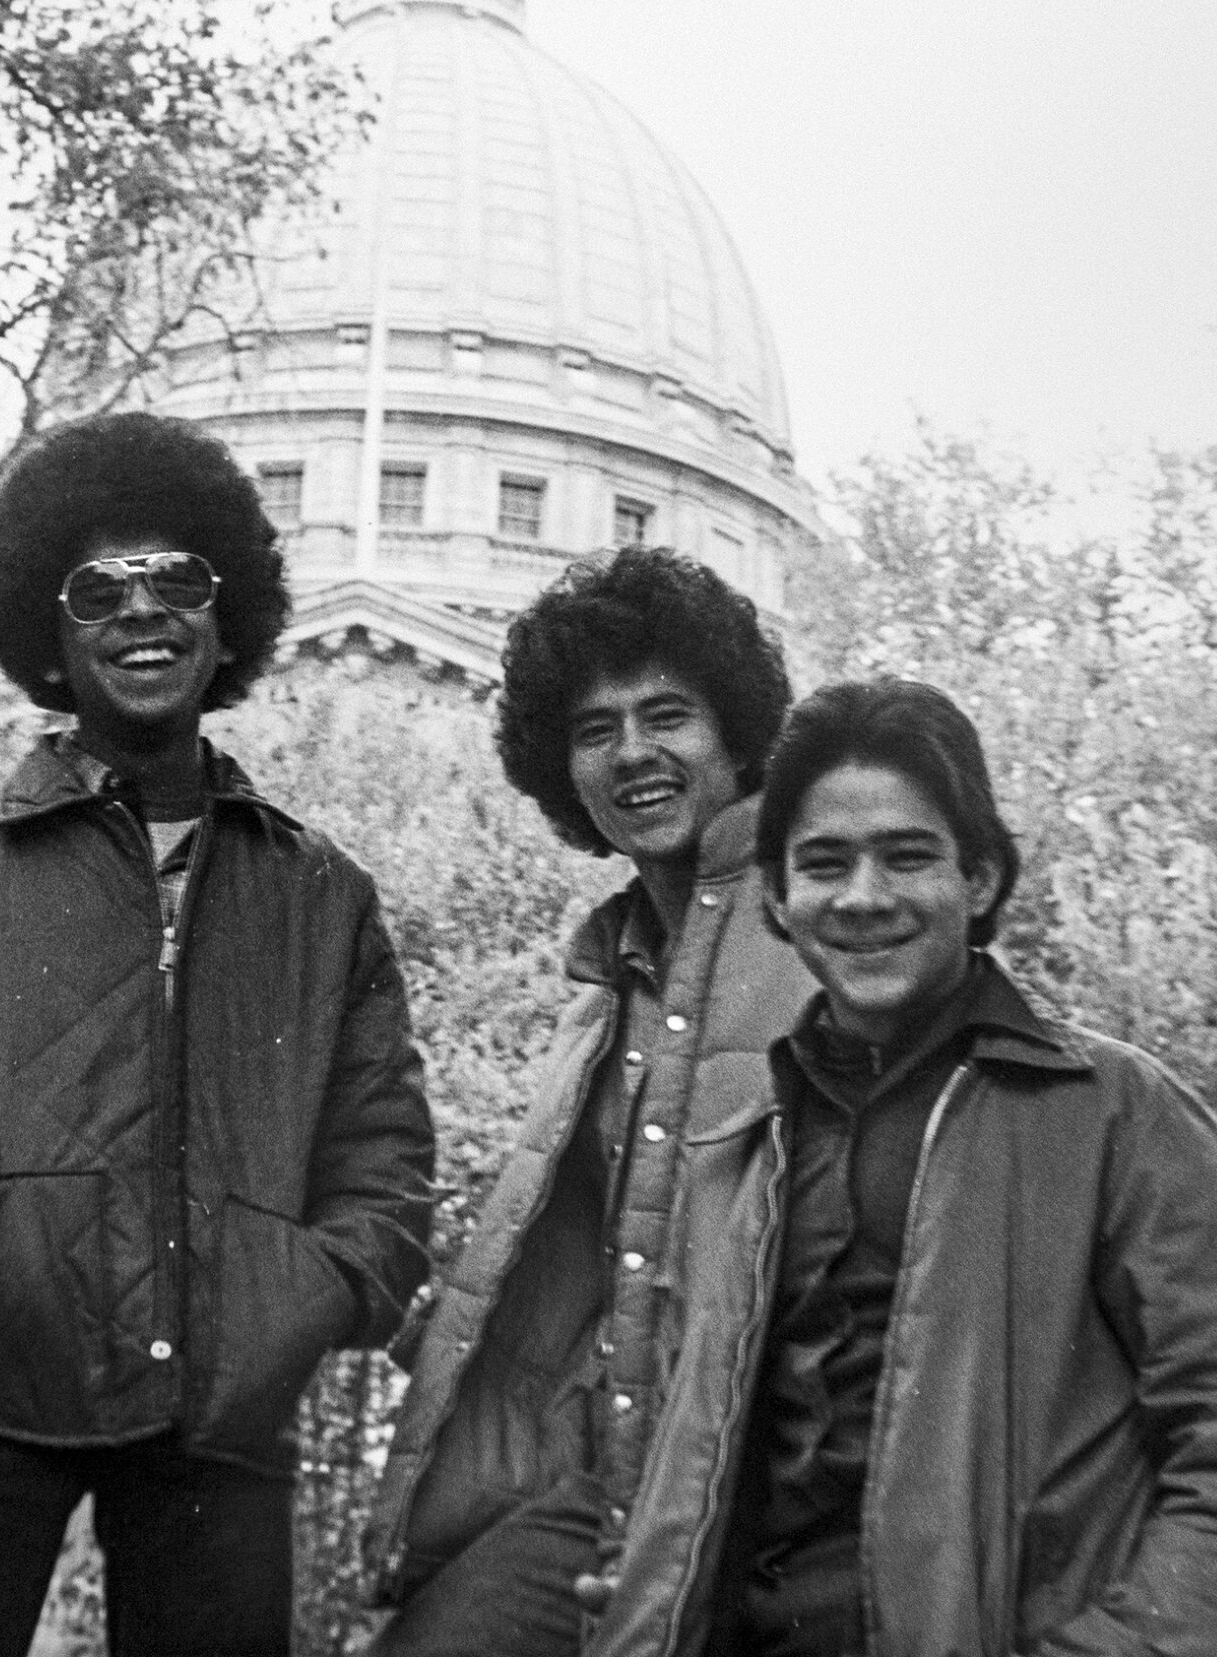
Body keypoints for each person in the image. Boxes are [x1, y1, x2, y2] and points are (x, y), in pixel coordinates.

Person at [0, 411, 434, 1657]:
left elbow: (385, 1164)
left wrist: (302, 1294)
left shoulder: (319, 894)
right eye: (95, 588)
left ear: (227, 623)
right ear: (50, 641)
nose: (141, 610)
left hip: (221, 1407)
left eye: (178, 579)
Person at [589, 677, 1217, 1657]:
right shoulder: (748, 1139)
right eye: (823, 863)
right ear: (777, 895)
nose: (862, 897)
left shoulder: (1113, 1112)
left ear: (978, 878)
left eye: (906, 857)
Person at [364, 546, 814, 1656]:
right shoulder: (602, 986)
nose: (632, 754)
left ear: (739, 732)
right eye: (593, 728)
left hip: (767, 1498)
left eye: (667, 715)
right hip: (594, 1490)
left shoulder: (826, 927)